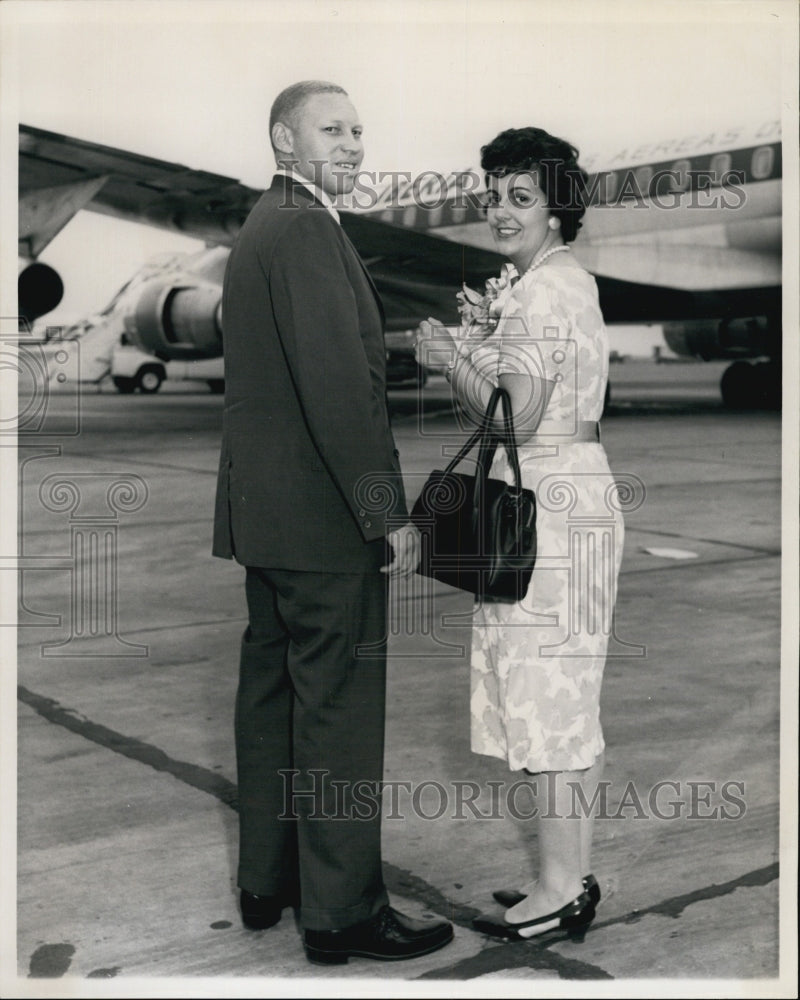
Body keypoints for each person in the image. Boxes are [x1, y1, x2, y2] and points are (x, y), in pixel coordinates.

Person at [213, 80, 453, 965]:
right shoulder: (309, 228)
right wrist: (384, 513)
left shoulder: (260, 226)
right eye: (332, 129)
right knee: (339, 717)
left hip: (265, 521)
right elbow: (340, 390)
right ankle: (344, 913)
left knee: (271, 701)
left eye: (359, 130)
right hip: (321, 525)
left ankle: (267, 882)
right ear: (284, 138)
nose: (353, 144)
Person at [416, 126, 624, 942]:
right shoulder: (562, 281)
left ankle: (561, 890)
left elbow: (521, 414)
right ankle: (562, 874)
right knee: (566, 696)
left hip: (549, 502)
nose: (501, 211)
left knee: (547, 696)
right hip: (573, 492)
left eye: (521, 197)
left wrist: (448, 359)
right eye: (494, 195)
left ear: (557, 206)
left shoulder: (542, 292)